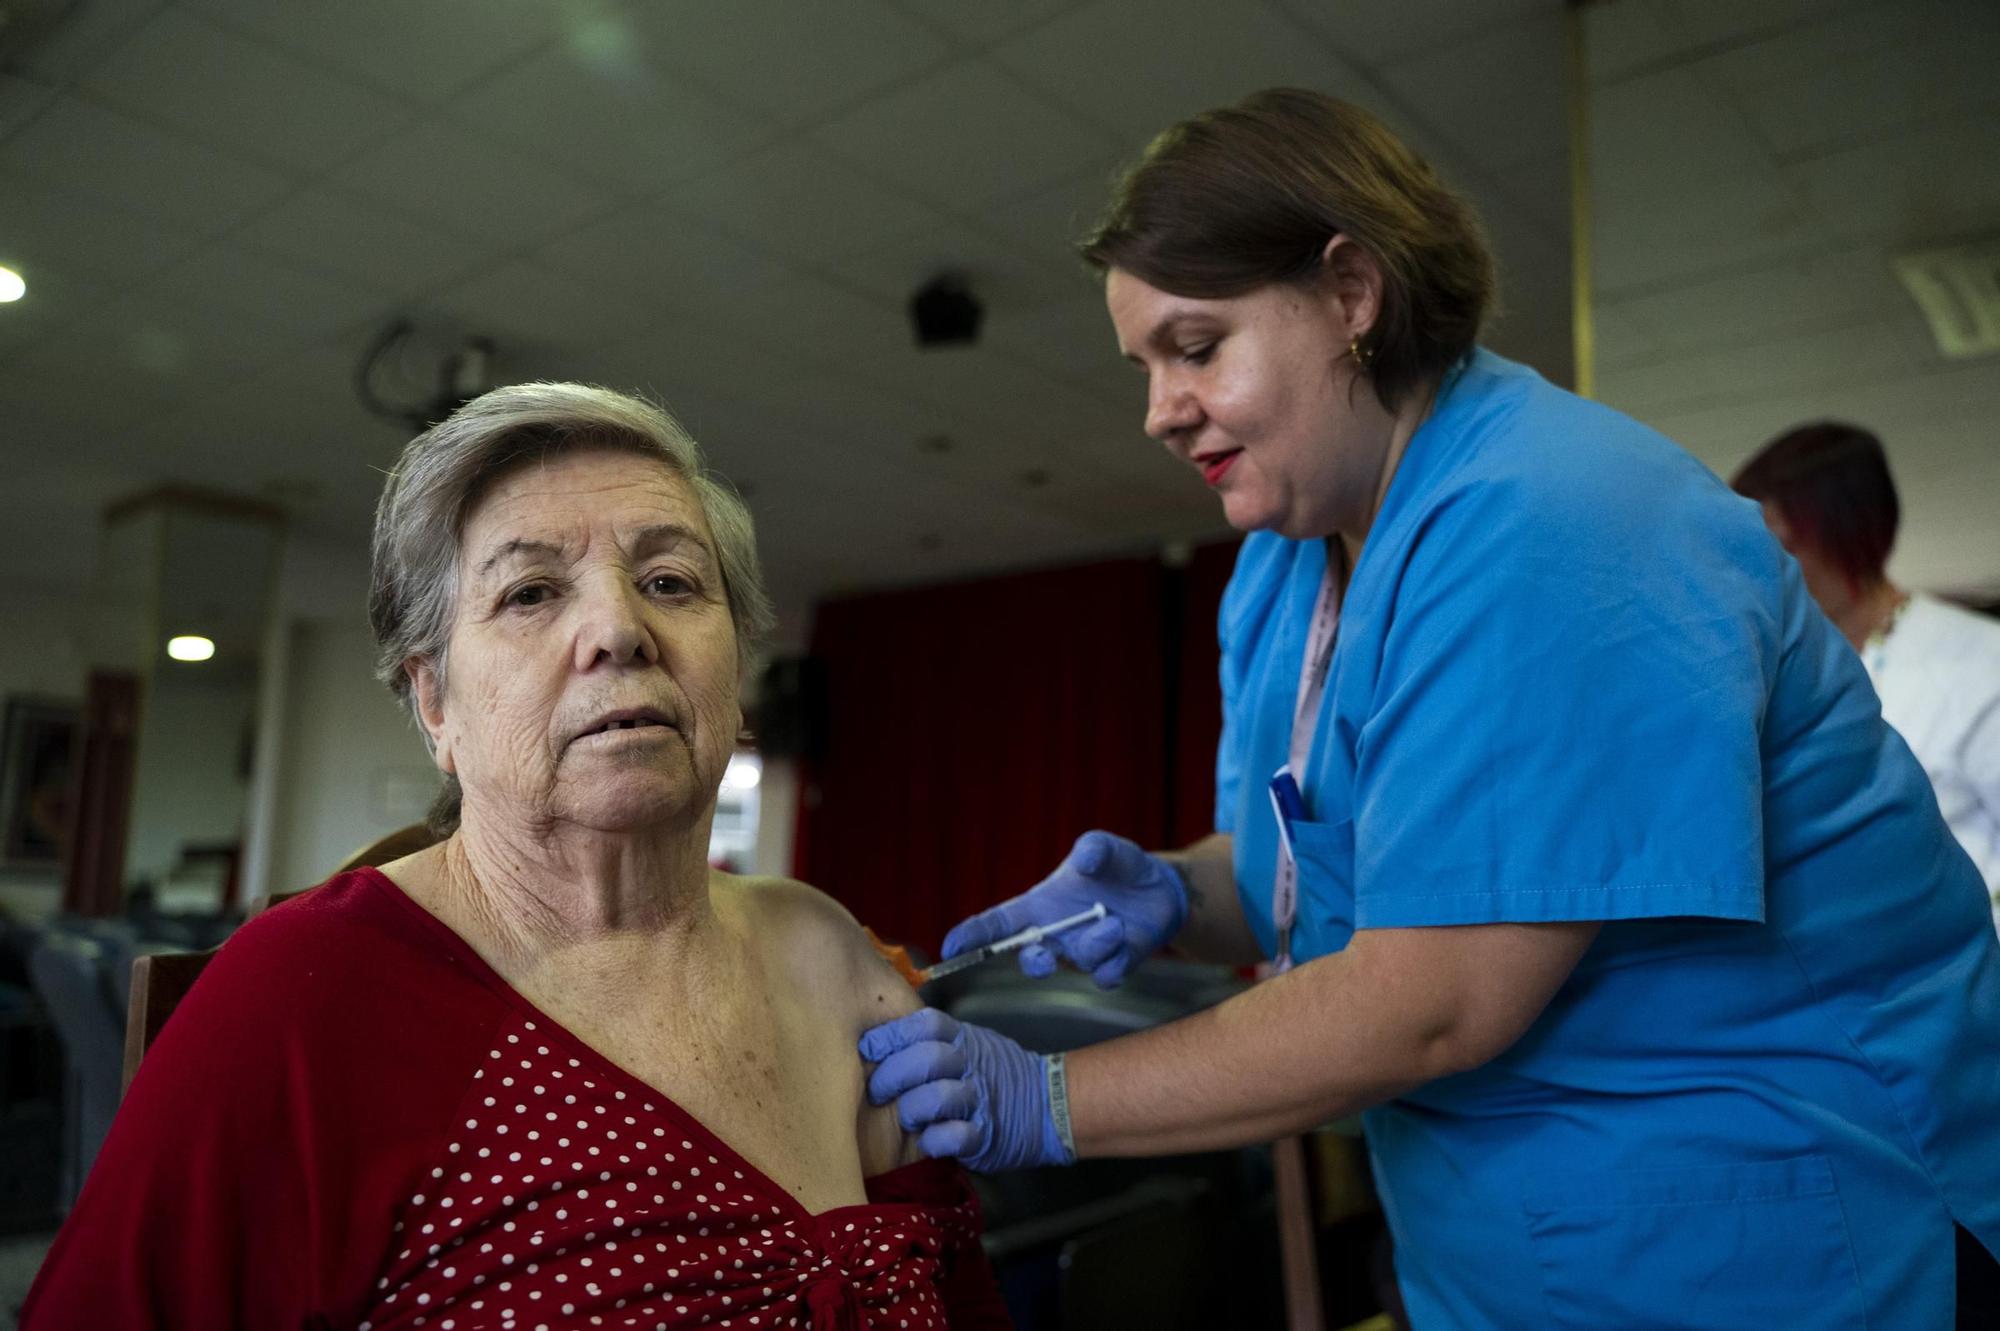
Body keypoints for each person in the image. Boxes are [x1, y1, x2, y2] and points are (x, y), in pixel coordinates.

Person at [860, 89, 2000, 1329]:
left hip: (1782, 1232)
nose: (1158, 410)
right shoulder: (1284, 565)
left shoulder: (1551, 515)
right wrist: (1181, 891)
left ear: (1351, 292)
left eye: (1195, 347)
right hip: (1516, 1250)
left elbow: (1435, 994)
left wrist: (1046, 1096)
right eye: (1143, 366)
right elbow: (1321, 876)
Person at [25, 385, 1004, 1329]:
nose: (619, 630)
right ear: (435, 704)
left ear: (737, 669)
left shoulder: (828, 948)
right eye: (530, 591)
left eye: (670, 581)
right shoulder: (307, 991)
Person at [1733, 421, 2000, 932]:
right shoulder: (1775, 676)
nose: (1764, 575)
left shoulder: (1979, 664)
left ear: (1849, 535)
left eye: (1783, 547)